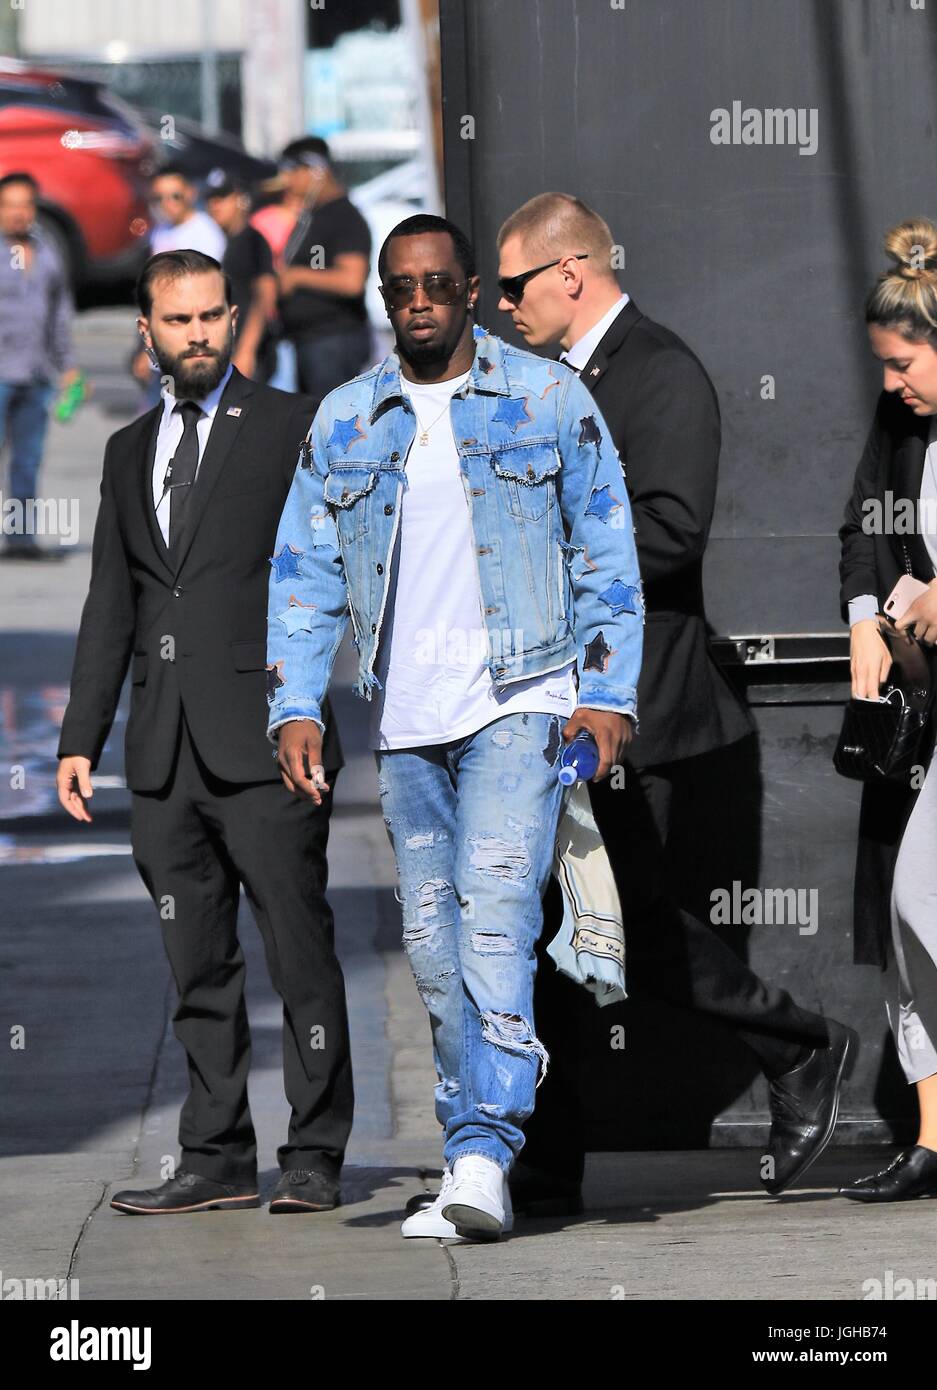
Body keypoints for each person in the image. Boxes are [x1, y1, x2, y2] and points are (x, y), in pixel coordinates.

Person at [266, 213, 643, 1241]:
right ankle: (472, 1152)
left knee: (493, 917)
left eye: (437, 283)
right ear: (384, 300)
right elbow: (301, 575)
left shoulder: (546, 397)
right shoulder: (347, 418)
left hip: (518, 700)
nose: (419, 300)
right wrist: (296, 703)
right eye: (401, 288)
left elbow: (606, 547)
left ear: (474, 290)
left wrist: (604, 694)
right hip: (407, 717)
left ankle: (481, 1150)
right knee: (431, 946)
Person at [495, 192, 855, 1209]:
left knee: (614, 924)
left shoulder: (657, 374)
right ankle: (554, 1157)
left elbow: (669, 532)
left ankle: (798, 1048)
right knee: (581, 925)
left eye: (514, 285)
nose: (505, 306)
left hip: (634, 701)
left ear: (571, 272)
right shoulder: (561, 377)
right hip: (570, 701)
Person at [56, 249, 352, 1216]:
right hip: (161, 757)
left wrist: (304, 703)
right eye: (176, 320)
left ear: (235, 321)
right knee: (197, 968)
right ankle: (215, 1154)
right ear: (144, 331)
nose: (195, 335)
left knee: (299, 953)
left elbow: (327, 575)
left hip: (268, 744)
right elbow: (114, 600)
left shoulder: (290, 427)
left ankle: (313, 1152)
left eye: (210, 318)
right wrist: (80, 738)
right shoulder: (123, 449)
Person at [838, 217, 937, 1202]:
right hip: (930, 707)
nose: (889, 382)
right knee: (911, 909)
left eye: (903, 361)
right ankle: (932, 1135)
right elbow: (863, 522)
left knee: (921, 898)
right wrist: (874, 617)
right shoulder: (908, 427)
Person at [0, 171, 80, 560]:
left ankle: (20, 539)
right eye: (10, 205)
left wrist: (69, 367)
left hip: (35, 374)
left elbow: (59, 314)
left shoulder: (47, 251)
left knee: (28, 460)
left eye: (25, 205)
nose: (18, 213)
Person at [275, 137, 372, 399]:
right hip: (309, 342)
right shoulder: (315, 215)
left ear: (317, 171)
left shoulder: (344, 217)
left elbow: (351, 280)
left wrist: (296, 276)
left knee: (334, 426)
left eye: (294, 172)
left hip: (332, 342)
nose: (289, 182)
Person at [131, 169, 228, 405]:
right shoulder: (161, 231)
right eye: (159, 198)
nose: (167, 204)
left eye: (175, 196)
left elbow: (202, 293)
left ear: (191, 194)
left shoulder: (205, 233)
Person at [205, 170, 278, 383]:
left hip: (247, 351)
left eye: (222, 198)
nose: (215, 205)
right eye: (211, 198)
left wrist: (247, 349)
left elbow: (265, 295)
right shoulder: (218, 241)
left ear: (241, 200)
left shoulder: (253, 240)